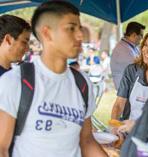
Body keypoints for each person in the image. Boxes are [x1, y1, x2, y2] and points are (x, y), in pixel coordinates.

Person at [0, 1, 107, 157]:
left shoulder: (82, 84)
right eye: (71, 28)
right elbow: (2, 147)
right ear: (47, 33)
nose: (80, 35)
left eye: (79, 28)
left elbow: (87, 140)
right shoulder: (15, 81)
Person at [110, 21, 145, 90]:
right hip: (125, 91)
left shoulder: (132, 47)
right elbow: (140, 67)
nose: (142, 38)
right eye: (141, 35)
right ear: (134, 35)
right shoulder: (123, 49)